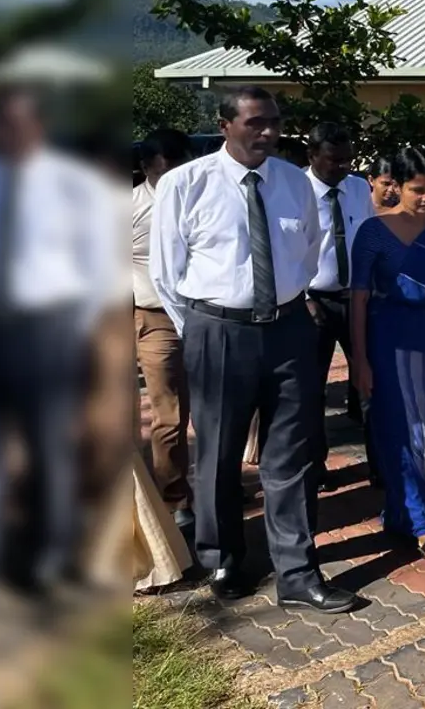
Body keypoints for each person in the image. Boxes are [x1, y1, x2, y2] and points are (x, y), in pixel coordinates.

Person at [149, 86, 356, 613]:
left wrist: (283, 303)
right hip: (219, 330)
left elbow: (307, 252)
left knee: (293, 449)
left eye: (275, 122)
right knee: (219, 450)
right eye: (255, 122)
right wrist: (201, 326)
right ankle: (223, 557)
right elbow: (166, 271)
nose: (268, 132)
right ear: (225, 125)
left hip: (288, 330)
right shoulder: (184, 185)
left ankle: (297, 571)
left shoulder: (293, 183)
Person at [0, 89, 122, 606]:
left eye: (20, 124)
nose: (10, 134)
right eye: (1, 125)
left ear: (38, 128)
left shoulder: (73, 187)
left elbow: (99, 266)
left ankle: (47, 565)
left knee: (50, 452)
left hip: (48, 333)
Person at [349, 148, 425, 566]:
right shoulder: (373, 233)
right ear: (396, 187)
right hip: (388, 341)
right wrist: (359, 360)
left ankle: (409, 515)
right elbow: (359, 300)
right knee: (402, 433)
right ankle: (423, 526)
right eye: (417, 190)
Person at [304, 123, 377, 489]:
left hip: (357, 298)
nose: (342, 167)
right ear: (312, 156)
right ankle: (315, 469)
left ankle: (380, 464)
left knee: (369, 382)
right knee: (310, 389)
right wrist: (303, 298)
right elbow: (285, 251)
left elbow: (367, 236)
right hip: (313, 302)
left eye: (348, 160)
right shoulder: (295, 192)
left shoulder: (357, 188)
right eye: (334, 160)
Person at [133, 129, 196, 535]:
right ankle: (172, 499)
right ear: (146, 168)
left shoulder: (200, 199)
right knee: (167, 415)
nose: (176, 175)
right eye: (166, 168)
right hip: (149, 317)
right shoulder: (129, 208)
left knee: (193, 411)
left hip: (196, 317)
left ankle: (193, 494)